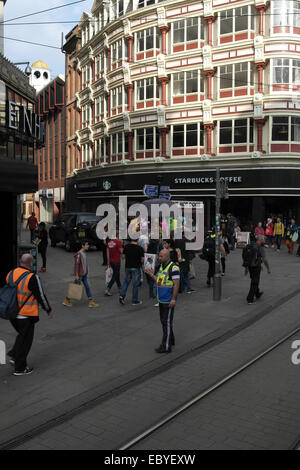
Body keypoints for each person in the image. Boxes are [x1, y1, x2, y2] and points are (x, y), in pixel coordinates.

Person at [6, 254, 52, 376]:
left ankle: (14, 355)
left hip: (11, 313)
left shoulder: (11, 273)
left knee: (22, 335)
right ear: (31, 264)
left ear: (20, 262)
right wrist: (48, 309)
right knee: (26, 340)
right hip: (25, 314)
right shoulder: (32, 277)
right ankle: (20, 368)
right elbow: (40, 295)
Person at [146, 249, 180, 353]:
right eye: (159, 256)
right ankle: (171, 340)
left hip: (168, 300)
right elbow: (160, 281)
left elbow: (176, 285)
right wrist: (151, 274)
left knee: (166, 322)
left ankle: (166, 346)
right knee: (165, 322)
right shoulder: (162, 267)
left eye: (161, 256)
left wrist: (173, 299)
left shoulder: (173, 268)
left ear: (167, 256)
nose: (159, 258)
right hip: (161, 299)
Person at [63, 240, 99, 308]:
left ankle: (91, 301)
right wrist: (76, 275)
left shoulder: (84, 253)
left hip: (84, 274)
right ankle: (66, 300)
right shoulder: (79, 254)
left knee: (87, 287)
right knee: (74, 288)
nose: (88, 246)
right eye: (86, 245)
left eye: (88, 245)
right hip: (79, 275)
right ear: (83, 246)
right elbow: (76, 265)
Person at [244, 235, 271, 305]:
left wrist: (246, 268)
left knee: (254, 280)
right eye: (264, 239)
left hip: (250, 266)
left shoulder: (251, 245)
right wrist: (268, 268)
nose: (265, 241)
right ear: (261, 240)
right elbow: (265, 259)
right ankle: (249, 299)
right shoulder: (260, 247)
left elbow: (247, 257)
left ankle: (257, 293)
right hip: (256, 267)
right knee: (254, 282)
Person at [119, 239, 144, 305]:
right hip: (136, 267)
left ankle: (122, 296)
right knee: (135, 284)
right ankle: (134, 300)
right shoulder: (140, 248)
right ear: (137, 239)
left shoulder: (126, 246)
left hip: (128, 267)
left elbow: (123, 257)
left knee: (126, 282)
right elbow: (142, 260)